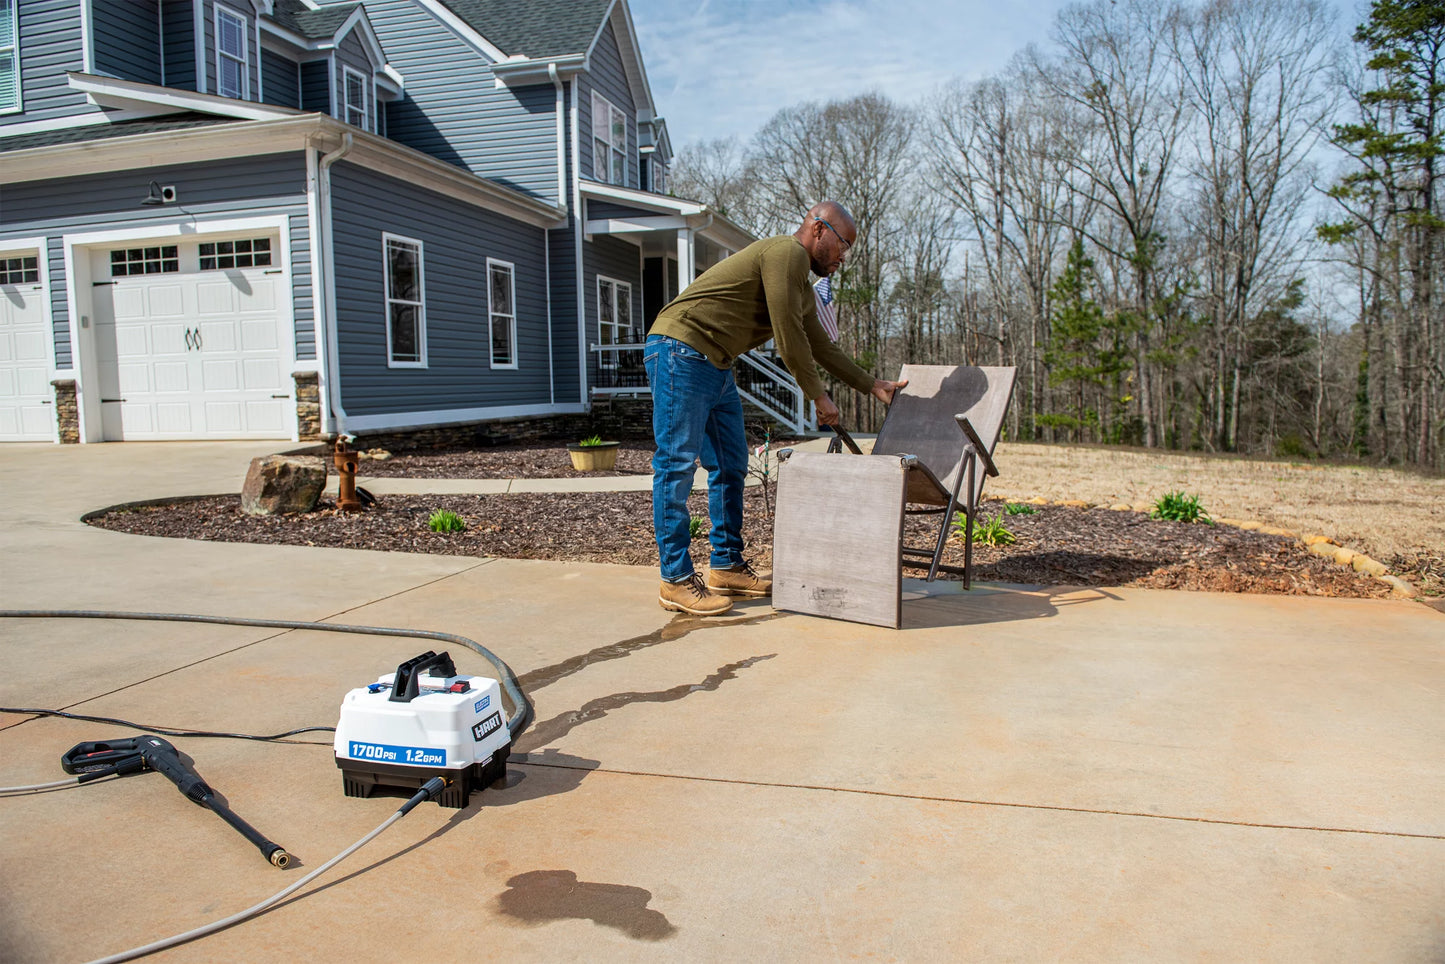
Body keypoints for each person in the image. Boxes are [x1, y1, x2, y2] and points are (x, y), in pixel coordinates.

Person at [644, 201, 908, 616]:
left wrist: (872, 385)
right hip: (681, 349)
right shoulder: (785, 254)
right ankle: (674, 579)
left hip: (715, 362)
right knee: (676, 465)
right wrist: (817, 395)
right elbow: (789, 336)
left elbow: (820, 344)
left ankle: (726, 565)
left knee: (731, 466)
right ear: (819, 230)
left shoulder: (801, 284)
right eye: (843, 245)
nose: (843, 257)